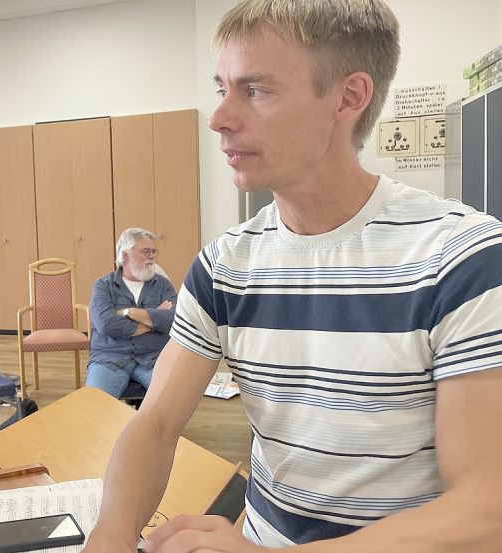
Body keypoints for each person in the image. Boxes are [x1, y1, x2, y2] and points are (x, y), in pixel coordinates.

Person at [82, 1, 502, 552]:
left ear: (349, 98)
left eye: (256, 91)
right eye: (222, 89)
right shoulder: (224, 265)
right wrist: (110, 535)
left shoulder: (463, 258)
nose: (220, 118)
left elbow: (486, 507)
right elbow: (155, 424)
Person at [86, 228, 177, 398]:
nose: (152, 256)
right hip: (109, 358)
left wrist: (129, 312)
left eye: (153, 251)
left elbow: (174, 319)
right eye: (145, 251)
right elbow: (106, 324)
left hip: (154, 358)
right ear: (125, 255)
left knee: (174, 397)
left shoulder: (163, 285)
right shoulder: (104, 285)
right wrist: (153, 319)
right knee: (94, 406)